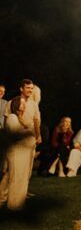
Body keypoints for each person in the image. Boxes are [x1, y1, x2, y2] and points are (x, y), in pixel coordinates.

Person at [0, 80, 41, 211]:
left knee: (25, 173)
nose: (30, 90)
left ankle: (17, 199)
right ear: (21, 88)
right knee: (10, 172)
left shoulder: (34, 104)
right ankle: (3, 198)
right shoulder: (12, 103)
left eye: (32, 88)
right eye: (28, 88)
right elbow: (7, 121)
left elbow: (36, 121)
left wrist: (37, 136)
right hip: (16, 145)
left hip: (29, 142)